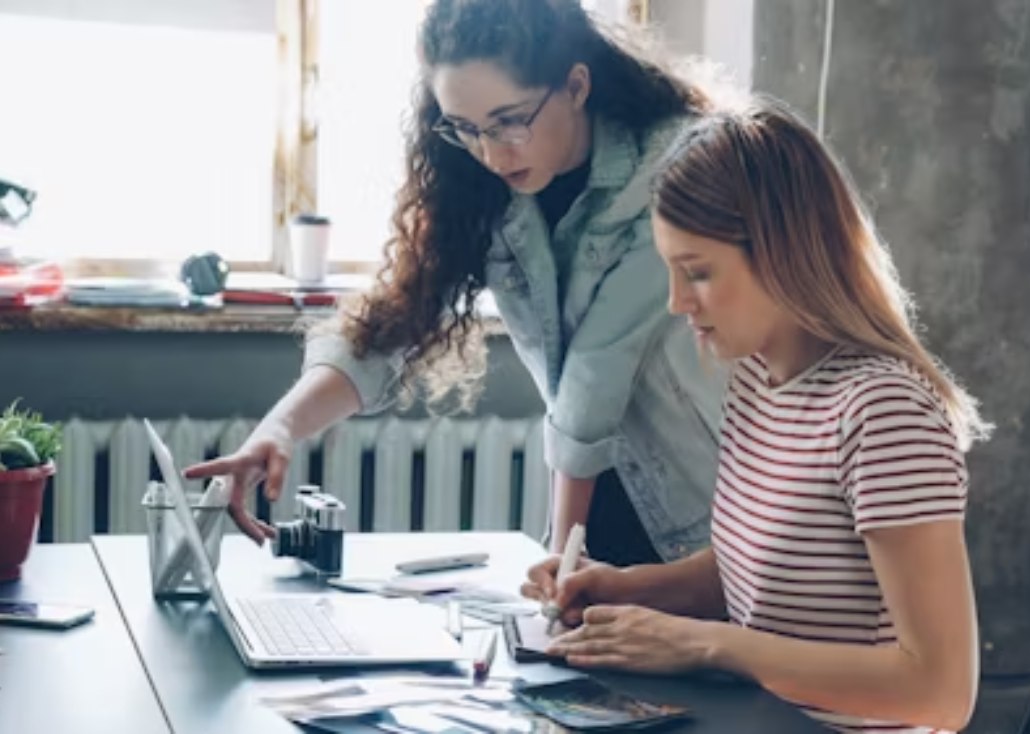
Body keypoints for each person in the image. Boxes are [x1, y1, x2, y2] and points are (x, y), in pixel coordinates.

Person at [185, 0, 726, 566]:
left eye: (510, 121)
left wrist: (562, 572)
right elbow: (393, 320)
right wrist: (279, 428)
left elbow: (596, 371)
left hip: (698, 518)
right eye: (465, 128)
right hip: (594, 509)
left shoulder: (669, 168)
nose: (491, 153)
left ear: (576, 85)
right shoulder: (476, 179)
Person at [522, 100, 992, 733]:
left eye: (698, 273)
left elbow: (939, 692)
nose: (676, 302)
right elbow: (749, 570)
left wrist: (703, 644)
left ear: (782, 253)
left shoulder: (884, 413)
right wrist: (621, 587)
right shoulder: (757, 380)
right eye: (671, 271)